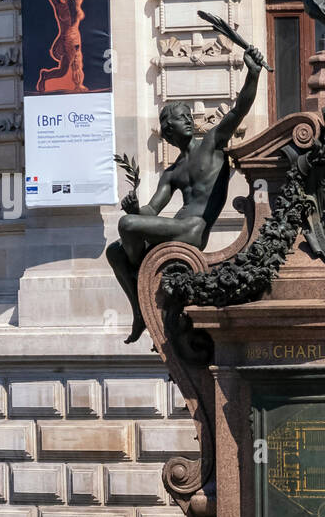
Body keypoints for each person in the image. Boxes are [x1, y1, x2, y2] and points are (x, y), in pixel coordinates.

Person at [106, 44, 265, 343]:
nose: (189, 119)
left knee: (127, 226)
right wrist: (135, 206)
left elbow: (239, 109)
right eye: (181, 117)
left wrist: (253, 74)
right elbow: (151, 212)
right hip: (176, 227)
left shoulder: (213, 143)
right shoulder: (172, 172)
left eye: (189, 115)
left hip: (192, 230)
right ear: (168, 131)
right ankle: (140, 310)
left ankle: (144, 274)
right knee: (115, 249)